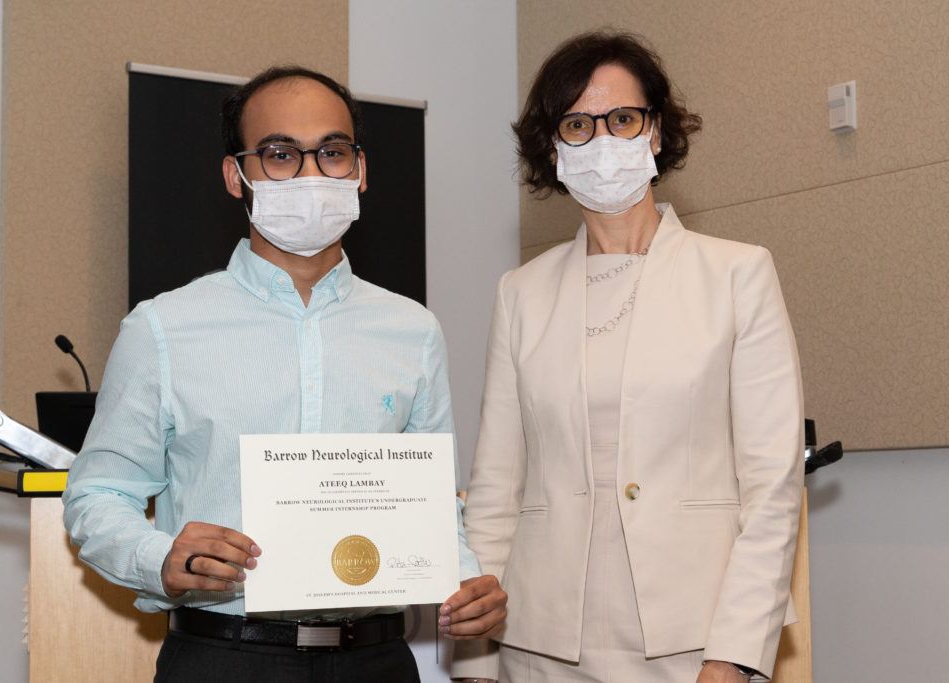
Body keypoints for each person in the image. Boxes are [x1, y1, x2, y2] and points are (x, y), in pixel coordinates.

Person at [62, 65, 506, 683]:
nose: (309, 174)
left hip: (377, 661)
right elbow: (97, 495)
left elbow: (430, 504)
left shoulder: (413, 331)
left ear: (361, 169)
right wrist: (159, 556)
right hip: (222, 656)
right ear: (235, 175)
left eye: (331, 152)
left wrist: (465, 580)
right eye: (278, 154)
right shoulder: (162, 328)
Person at [451, 32, 803, 683]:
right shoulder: (520, 293)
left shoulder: (737, 275)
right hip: (540, 644)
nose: (603, 142)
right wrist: (475, 663)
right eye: (578, 124)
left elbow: (772, 493)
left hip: (694, 642)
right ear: (553, 148)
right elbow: (498, 492)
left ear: (657, 132)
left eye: (623, 119)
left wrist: (731, 656)